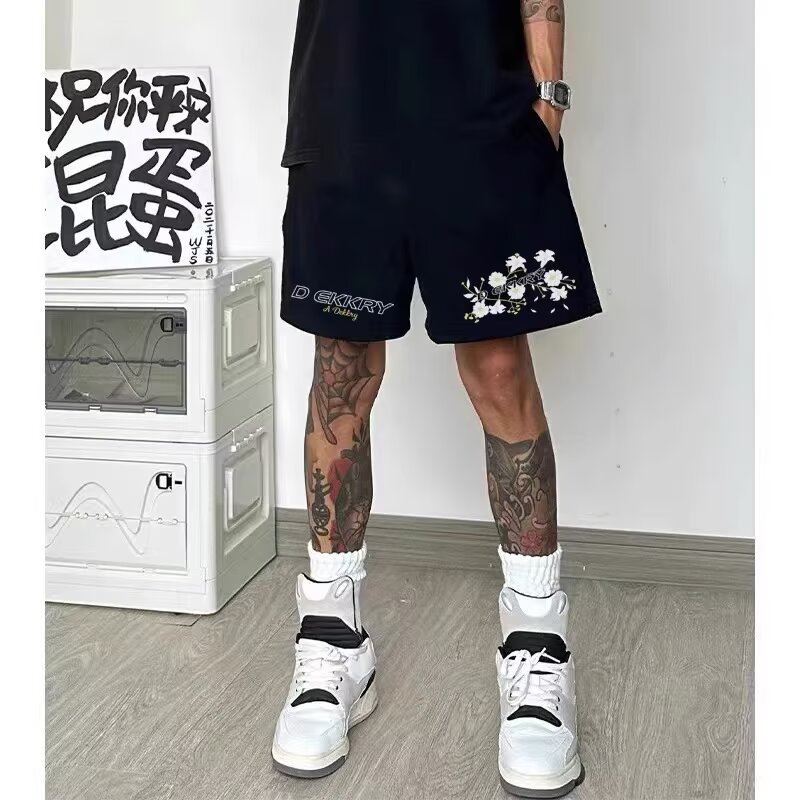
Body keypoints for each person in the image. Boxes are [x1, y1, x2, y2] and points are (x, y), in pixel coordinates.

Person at [272, 2, 600, 797]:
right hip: (345, 109)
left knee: (499, 369)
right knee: (343, 373)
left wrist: (549, 95)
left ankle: (537, 647)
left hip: (481, 111)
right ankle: (333, 639)